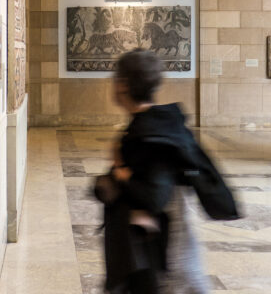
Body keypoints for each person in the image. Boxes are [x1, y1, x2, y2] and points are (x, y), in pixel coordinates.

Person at [94, 49, 239, 294]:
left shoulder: (150, 135)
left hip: (160, 262)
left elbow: (154, 197)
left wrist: (120, 173)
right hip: (158, 259)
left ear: (123, 85)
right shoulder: (157, 127)